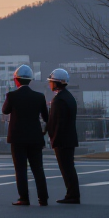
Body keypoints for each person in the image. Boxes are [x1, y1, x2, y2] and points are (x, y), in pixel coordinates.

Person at [3, 64, 50, 206]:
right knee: (38, 168)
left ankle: (24, 197)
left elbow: (5, 110)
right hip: (35, 137)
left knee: (21, 169)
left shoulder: (12, 96)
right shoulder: (39, 97)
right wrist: (44, 132)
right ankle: (43, 198)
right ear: (30, 80)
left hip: (17, 138)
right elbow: (46, 117)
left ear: (16, 80)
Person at [47, 68, 80, 205]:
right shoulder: (69, 97)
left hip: (62, 140)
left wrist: (52, 138)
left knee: (66, 169)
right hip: (70, 138)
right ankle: (73, 194)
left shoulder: (58, 100)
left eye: (51, 82)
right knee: (69, 167)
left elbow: (55, 121)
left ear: (56, 83)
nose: (49, 84)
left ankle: (72, 195)